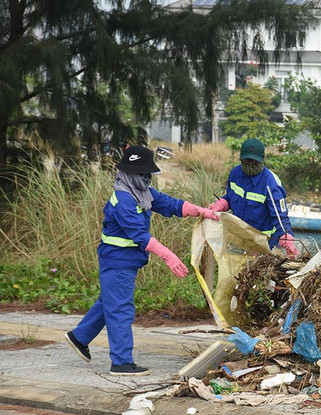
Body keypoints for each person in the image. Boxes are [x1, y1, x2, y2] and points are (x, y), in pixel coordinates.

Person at [64, 146, 220, 376]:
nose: (147, 179)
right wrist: (169, 256)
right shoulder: (124, 200)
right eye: (143, 174)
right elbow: (139, 235)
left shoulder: (142, 192)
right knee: (121, 310)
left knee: (110, 301)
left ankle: (79, 337)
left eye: (149, 175)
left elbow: (170, 204)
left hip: (125, 262)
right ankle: (121, 362)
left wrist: (201, 212)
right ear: (129, 173)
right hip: (117, 262)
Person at [208, 138, 298, 257]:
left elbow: (280, 217)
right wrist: (220, 204)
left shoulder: (271, 184)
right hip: (239, 238)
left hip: (263, 242)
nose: (250, 165)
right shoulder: (235, 174)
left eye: (254, 162)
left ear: (261, 160)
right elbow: (230, 197)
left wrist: (286, 237)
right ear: (241, 159)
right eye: (246, 161)